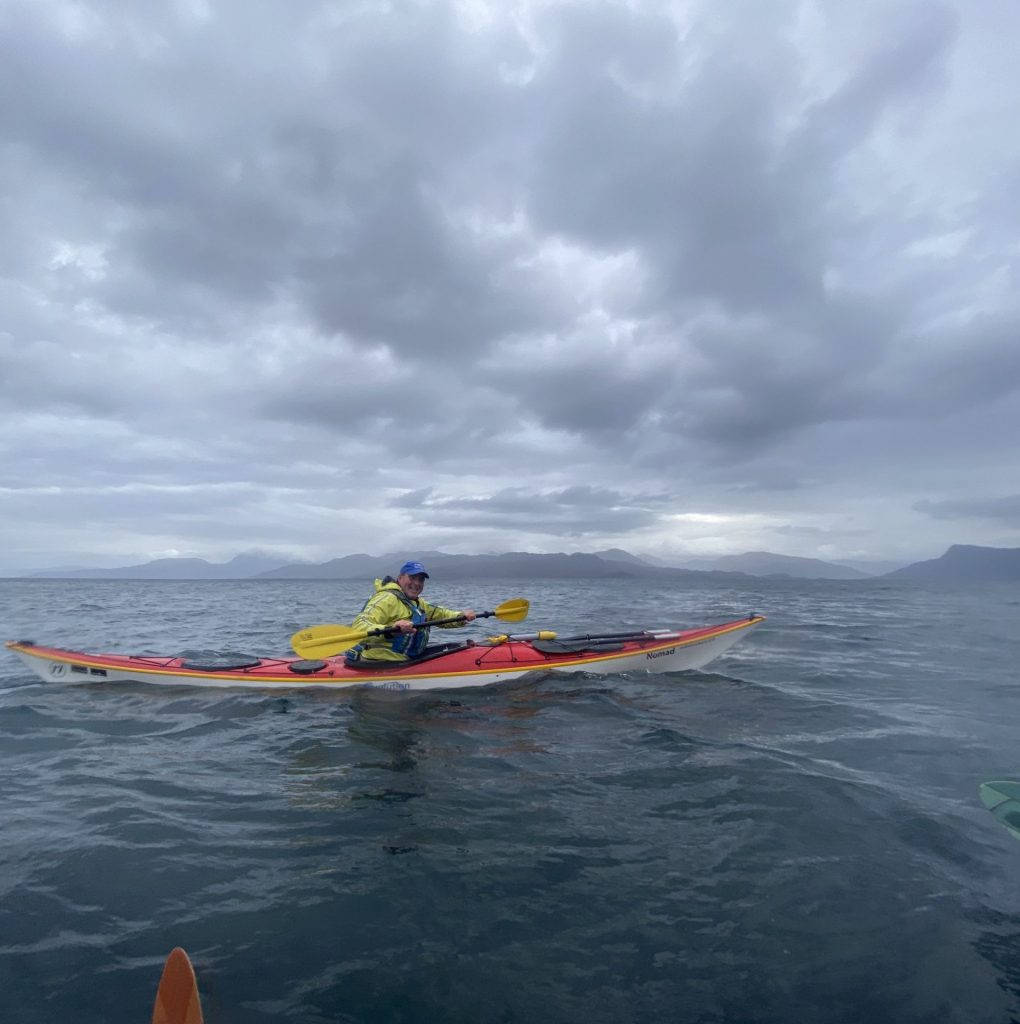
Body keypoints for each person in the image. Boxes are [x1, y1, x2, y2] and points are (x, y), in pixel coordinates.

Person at [345, 561, 477, 665]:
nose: (417, 583)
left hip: (407, 659)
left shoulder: (417, 603)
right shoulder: (386, 598)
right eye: (412, 577)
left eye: (421, 580)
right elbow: (358, 626)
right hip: (381, 663)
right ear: (400, 578)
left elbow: (440, 614)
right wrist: (390, 630)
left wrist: (461, 616)